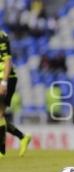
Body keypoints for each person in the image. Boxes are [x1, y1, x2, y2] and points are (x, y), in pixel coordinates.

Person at [0, 30, 31, 159]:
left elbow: (8, 60)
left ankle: (1, 151)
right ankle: (22, 137)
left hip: (6, 78)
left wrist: (4, 82)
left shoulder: (1, 36)